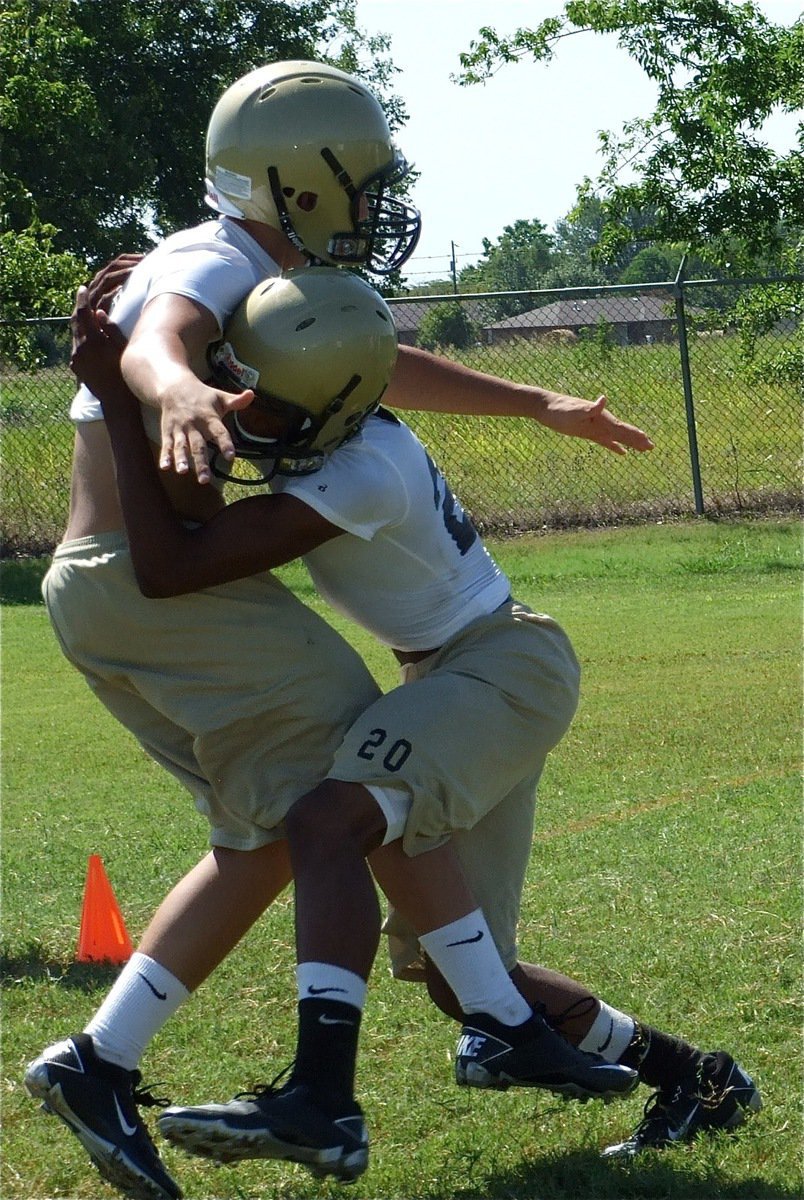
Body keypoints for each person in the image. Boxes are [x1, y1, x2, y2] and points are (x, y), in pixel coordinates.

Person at [81, 271, 758, 1184]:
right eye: (238, 375)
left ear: (324, 405)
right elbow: (377, 364)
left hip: (498, 667)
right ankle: (699, 1078)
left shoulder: (357, 469)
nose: (238, 404)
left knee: (327, 819)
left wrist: (123, 398)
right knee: (456, 976)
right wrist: (541, 402)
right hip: (458, 672)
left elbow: (171, 567)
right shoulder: (333, 404)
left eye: (263, 395)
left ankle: (321, 1095)